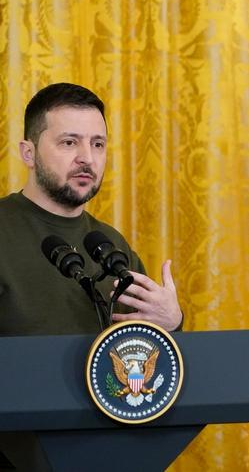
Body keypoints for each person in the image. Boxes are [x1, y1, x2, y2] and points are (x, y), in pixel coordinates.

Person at [0, 82, 182, 336]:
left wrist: (172, 323)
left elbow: (143, 357)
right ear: (28, 153)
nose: (87, 157)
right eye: (69, 142)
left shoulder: (112, 245)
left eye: (98, 144)